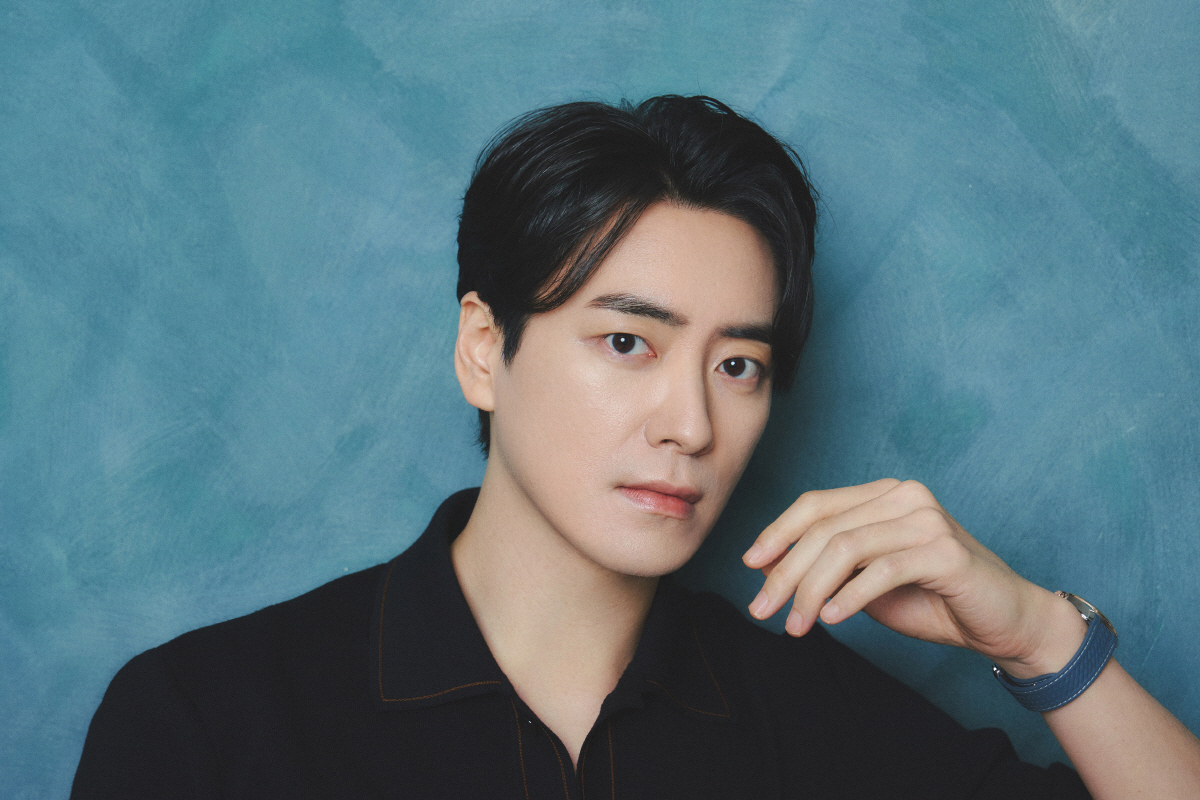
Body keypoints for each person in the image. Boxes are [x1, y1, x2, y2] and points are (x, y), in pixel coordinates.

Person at [72, 96, 1200, 799]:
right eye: (627, 342)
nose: (691, 424)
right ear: (484, 349)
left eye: (738, 364)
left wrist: (1037, 633)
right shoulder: (210, 721)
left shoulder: (810, 719)